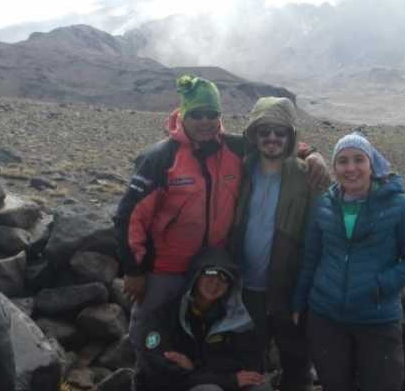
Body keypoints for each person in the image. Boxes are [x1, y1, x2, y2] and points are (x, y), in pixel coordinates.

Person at [114, 75, 327, 358]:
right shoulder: (160, 157)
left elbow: (276, 139)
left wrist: (312, 154)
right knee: (152, 339)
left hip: (212, 272)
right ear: (182, 114)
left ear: (219, 116)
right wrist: (133, 269)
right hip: (164, 272)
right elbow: (129, 215)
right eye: (197, 114)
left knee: (198, 341)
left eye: (211, 114)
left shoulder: (234, 148)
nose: (205, 121)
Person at [291, 132, 405, 391]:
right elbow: (311, 259)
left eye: (358, 159)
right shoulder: (324, 205)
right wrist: (300, 302)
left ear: (371, 164)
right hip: (326, 317)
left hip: (376, 320)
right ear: (334, 168)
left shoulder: (402, 207)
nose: (351, 168)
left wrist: (381, 284)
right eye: (342, 161)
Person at [227, 97, 320, 391]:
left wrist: (305, 292)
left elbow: (318, 237)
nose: (271, 138)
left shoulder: (308, 175)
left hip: (289, 290)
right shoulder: (240, 169)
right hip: (246, 288)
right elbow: (202, 137)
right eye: (264, 131)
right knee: (247, 359)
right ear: (253, 135)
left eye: (279, 132)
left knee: (296, 361)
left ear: (290, 136)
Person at [134, 246, 271, 391]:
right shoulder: (163, 316)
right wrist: (227, 378)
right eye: (210, 273)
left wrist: (195, 366)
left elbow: (250, 365)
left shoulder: (235, 319)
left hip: (216, 381)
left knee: (260, 386)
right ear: (195, 275)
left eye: (224, 277)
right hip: (175, 387)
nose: (215, 282)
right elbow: (161, 370)